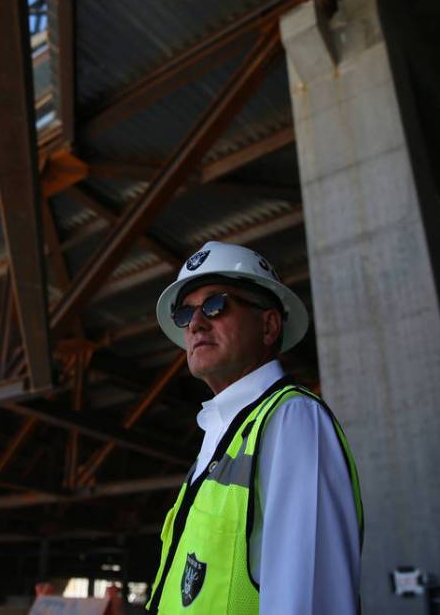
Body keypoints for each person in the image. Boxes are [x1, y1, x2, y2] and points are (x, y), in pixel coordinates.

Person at [145, 241, 363, 614]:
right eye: (185, 314)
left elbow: (307, 601)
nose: (196, 323)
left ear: (268, 325)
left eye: (216, 305)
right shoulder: (222, 433)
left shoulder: (291, 419)